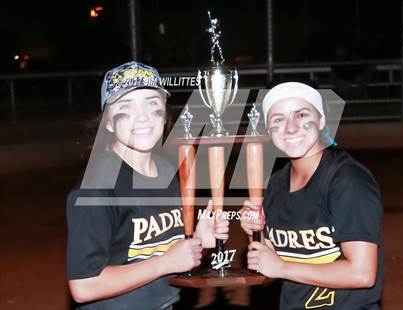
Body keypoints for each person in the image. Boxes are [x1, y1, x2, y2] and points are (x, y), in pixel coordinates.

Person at [66, 61, 229, 310]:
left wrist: (198, 241)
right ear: (108, 123)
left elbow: (167, 256)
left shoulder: (166, 172)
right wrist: (166, 263)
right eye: (126, 107)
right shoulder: (97, 187)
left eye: (152, 104)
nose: (142, 117)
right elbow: (84, 286)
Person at [240, 82, 382, 309]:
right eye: (278, 119)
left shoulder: (347, 180)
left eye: (301, 114)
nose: (291, 127)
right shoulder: (276, 184)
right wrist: (254, 233)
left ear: (322, 120)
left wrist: (280, 267)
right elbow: (270, 270)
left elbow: (362, 273)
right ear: (268, 130)